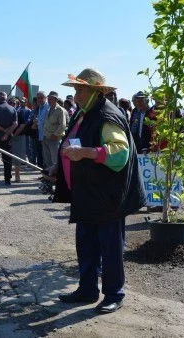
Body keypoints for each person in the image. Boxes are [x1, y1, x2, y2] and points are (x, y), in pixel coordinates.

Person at [53, 68, 145, 314]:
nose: (76, 94)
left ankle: (114, 293)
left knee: (110, 248)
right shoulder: (84, 113)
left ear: (95, 91)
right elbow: (72, 142)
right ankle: (87, 289)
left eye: (81, 89)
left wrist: (86, 153)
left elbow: (119, 154)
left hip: (108, 197)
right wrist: (57, 169)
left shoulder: (106, 115)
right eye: (75, 89)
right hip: (87, 194)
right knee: (86, 244)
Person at [0, 92, 18, 185]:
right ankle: (7, 179)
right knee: (7, 159)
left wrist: (3, 131)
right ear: (6, 98)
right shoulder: (12, 109)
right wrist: (7, 133)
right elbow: (15, 124)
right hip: (7, 138)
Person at [42, 91, 68, 170]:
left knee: (55, 160)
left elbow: (63, 125)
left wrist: (55, 134)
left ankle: (56, 178)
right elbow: (45, 122)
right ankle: (49, 178)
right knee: (47, 159)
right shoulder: (48, 109)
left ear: (56, 100)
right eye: (48, 98)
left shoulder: (60, 110)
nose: (49, 100)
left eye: (51, 99)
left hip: (55, 138)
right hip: (46, 137)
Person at [12, 97, 29, 182]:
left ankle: (17, 175)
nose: (12, 105)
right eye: (10, 103)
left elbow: (22, 125)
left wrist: (14, 135)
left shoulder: (21, 112)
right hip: (10, 136)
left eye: (14, 103)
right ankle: (8, 175)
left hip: (19, 136)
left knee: (18, 157)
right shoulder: (10, 112)